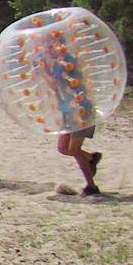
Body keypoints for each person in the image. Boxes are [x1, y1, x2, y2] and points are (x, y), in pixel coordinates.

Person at [36, 27, 101, 195]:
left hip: (81, 110)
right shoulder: (58, 63)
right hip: (69, 111)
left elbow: (54, 85)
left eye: (49, 46)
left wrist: (43, 72)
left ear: (58, 45)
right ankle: (91, 158)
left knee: (73, 149)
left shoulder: (64, 61)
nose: (46, 49)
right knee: (63, 148)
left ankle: (91, 186)